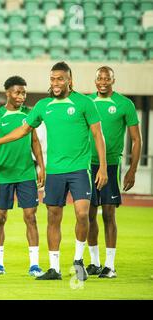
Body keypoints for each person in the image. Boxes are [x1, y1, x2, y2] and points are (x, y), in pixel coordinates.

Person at [0, 62, 108, 281]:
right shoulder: (43, 106)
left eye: (60, 78)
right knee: (53, 218)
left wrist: (103, 167)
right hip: (55, 172)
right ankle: (54, 268)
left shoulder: (84, 103)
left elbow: (98, 135)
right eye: (52, 79)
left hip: (79, 169)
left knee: (82, 214)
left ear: (70, 80)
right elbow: (22, 130)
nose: (56, 83)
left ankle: (78, 259)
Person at [0, 76, 45, 277]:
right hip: (3, 175)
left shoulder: (29, 114)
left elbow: (34, 141)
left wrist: (41, 167)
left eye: (24, 92)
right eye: (18, 92)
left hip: (26, 174)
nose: (21, 96)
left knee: (31, 217)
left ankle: (34, 265)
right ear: (7, 93)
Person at [86, 66, 142, 278]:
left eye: (106, 78)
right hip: (87, 164)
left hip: (111, 165)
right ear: (95, 80)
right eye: (99, 78)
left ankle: (110, 266)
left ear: (113, 80)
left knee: (109, 213)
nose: (102, 81)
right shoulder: (87, 102)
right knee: (89, 214)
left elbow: (137, 139)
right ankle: (94, 262)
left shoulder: (124, 104)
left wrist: (132, 170)